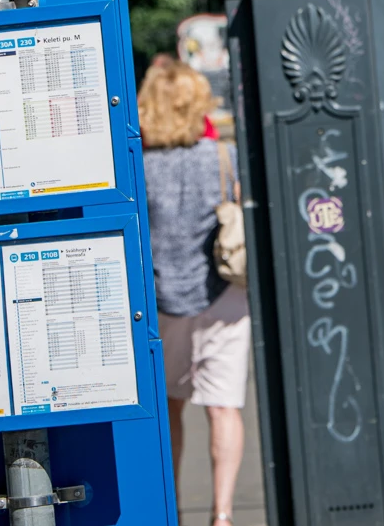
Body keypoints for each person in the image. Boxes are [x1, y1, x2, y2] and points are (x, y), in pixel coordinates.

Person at [140, 56, 249, 526]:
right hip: (224, 296)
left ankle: (174, 509)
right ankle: (222, 514)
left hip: (160, 300)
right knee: (223, 406)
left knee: (169, 407)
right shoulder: (224, 156)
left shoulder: (137, 166)